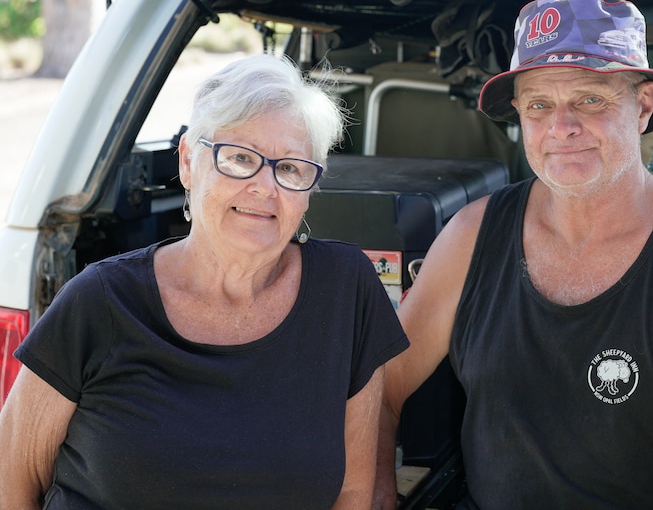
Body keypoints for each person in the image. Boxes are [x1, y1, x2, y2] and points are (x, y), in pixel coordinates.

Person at [375, 0, 653, 509]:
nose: (562, 128)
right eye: (539, 105)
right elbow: (378, 388)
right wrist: (372, 488)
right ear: (519, 113)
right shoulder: (471, 236)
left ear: (644, 106)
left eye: (590, 100)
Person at [0, 53, 409, 510]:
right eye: (238, 158)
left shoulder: (346, 291)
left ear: (309, 193)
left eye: (291, 168)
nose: (264, 186)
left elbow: (354, 493)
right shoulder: (100, 301)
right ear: (189, 162)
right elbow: (11, 481)